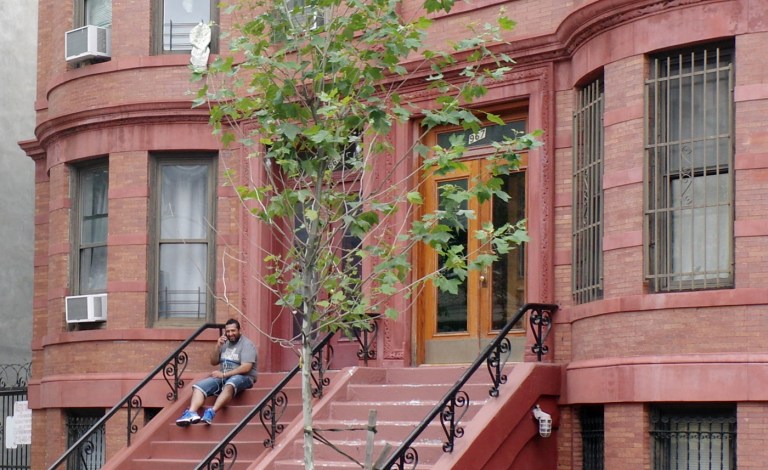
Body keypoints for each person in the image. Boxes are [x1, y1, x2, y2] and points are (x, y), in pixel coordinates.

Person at [176, 318, 258, 426]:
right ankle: (191, 413)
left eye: (233, 331)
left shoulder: (247, 344)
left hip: (244, 377)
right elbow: (213, 361)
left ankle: (211, 412)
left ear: (239, 330)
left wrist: (224, 374)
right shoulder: (224, 343)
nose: (230, 334)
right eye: (228, 331)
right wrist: (218, 346)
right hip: (223, 376)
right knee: (198, 387)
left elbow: (246, 368)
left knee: (230, 384)